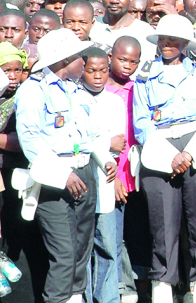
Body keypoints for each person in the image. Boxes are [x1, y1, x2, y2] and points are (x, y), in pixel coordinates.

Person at [15, 29, 117, 303]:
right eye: (78, 56)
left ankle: (75, 297)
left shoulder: (77, 90)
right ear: (62, 60)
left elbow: (92, 134)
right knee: (64, 252)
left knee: (82, 247)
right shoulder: (32, 91)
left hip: (84, 172)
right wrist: (63, 174)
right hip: (53, 178)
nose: (84, 62)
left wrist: (105, 159)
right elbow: (30, 140)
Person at [133, 15, 196, 303]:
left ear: (185, 44)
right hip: (160, 147)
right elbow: (141, 120)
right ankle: (163, 288)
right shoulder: (144, 76)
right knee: (162, 222)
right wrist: (169, 155)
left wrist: (191, 152)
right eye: (163, 40)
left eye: (173, 41)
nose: (167, 45)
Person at [0, 43, 49, 303]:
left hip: (20, 179)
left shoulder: (27, 96)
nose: (12, 75)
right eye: (4, 69)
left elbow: (21, 140)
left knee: (23, 242)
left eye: (17, 69)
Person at [79, 47, 126, 303]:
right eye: (91, 70)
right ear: (81, 70)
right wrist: (105, 141)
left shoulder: (114, 101)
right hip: (83, 180)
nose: (98, 76)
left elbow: (119, 144)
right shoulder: (74, 98)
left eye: (103, 71)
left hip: (107, 179)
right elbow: (79, 140)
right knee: (83, 248)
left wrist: (106, 142)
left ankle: (107, 298)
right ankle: (84, 297)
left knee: (107, 245)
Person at [105, 36, 143, 303]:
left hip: (137, 171)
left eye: (134, 61)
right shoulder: (101, 89)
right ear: (110, 56)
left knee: (136, 232)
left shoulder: (137, 88)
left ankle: (132, 285)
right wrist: (116, 177)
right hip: (113, 173)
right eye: (122, 59)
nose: (128, 66)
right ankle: (120, 287)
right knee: (113, 234)